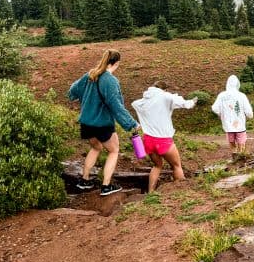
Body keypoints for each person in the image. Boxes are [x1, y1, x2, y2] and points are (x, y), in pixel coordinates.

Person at [68, 49, 139, 196]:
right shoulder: (110, 80)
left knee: (96, 148)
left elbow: (73, 90)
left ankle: (84, 180)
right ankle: (106, 186)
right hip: (102, 124)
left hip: (86, 122)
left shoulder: (91, 74)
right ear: (116, 63)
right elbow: (116, 106)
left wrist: (82, 97)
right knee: (114, 150)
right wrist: (131, 124)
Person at [131, 80, 197, 193]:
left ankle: (150, 192)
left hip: (148, 140)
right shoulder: (165, 96)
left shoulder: (143, 101)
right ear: (164, 89)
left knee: (157, 166)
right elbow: (182, 102)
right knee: (176, 166)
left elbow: (134, 104)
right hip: (163, 140)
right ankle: (181, 192)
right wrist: (192, 102)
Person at [212, 74, 254, 156]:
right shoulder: (241, 95)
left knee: (231, 142)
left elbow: (215, 108)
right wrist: (250, 115)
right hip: (240, 124)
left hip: (228, 125)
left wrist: (221, 114)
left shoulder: (222, 95)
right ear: (237, 84)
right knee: (241, 142)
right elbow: (248, 109)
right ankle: (241, 156)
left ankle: (234, 156)